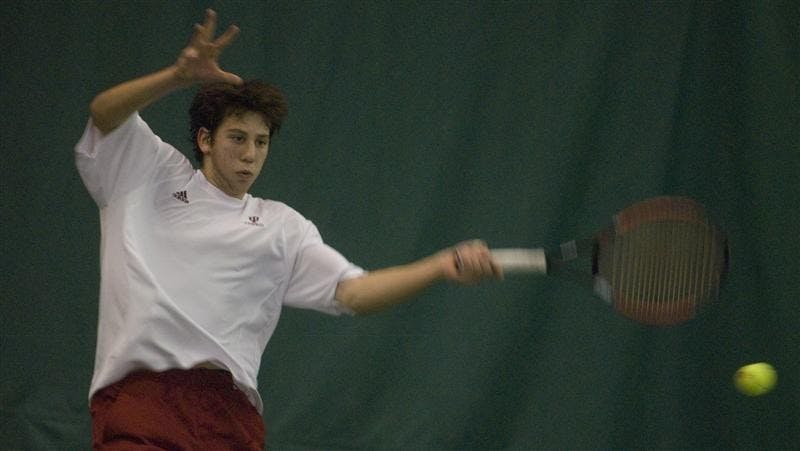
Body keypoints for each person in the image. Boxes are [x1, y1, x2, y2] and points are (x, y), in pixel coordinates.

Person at [76, 9, 502, 450]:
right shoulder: (147, 173)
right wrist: (177, 75)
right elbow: (104, 113)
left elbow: (354, 293)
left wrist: (439, 266)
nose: (250, 155)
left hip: (230, 415)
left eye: (261, 143)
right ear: (205, 140)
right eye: (237, 138)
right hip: (143, 404)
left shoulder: (283, 226)